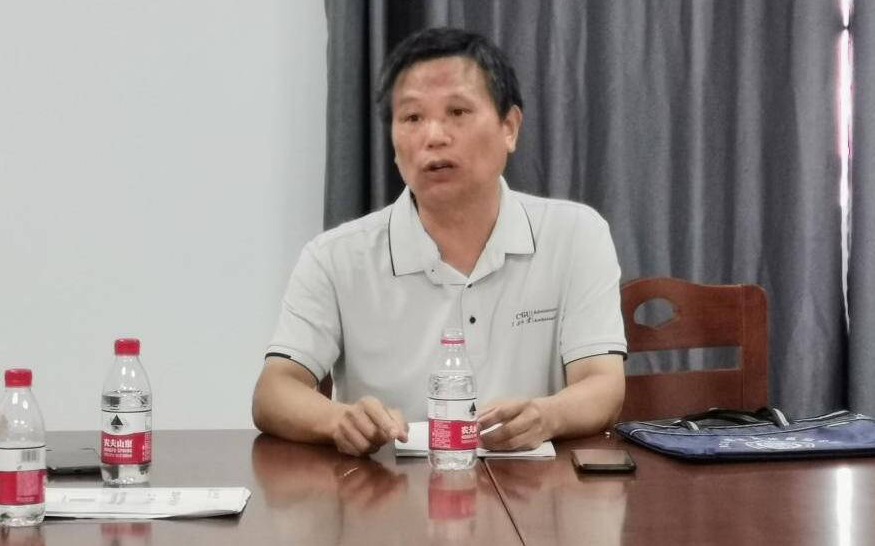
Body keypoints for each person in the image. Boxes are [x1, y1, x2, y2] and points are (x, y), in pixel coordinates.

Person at [252, 27, 626, 456]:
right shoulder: (334, 258)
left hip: (535, 484)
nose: (434, 136)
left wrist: (547, 415)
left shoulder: (576, 235)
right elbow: (274, 392)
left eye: (457, 112)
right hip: (387, 487)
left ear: (509, 127)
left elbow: (603, 384)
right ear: (394, 143)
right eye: (412, 118)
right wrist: (340, 420)